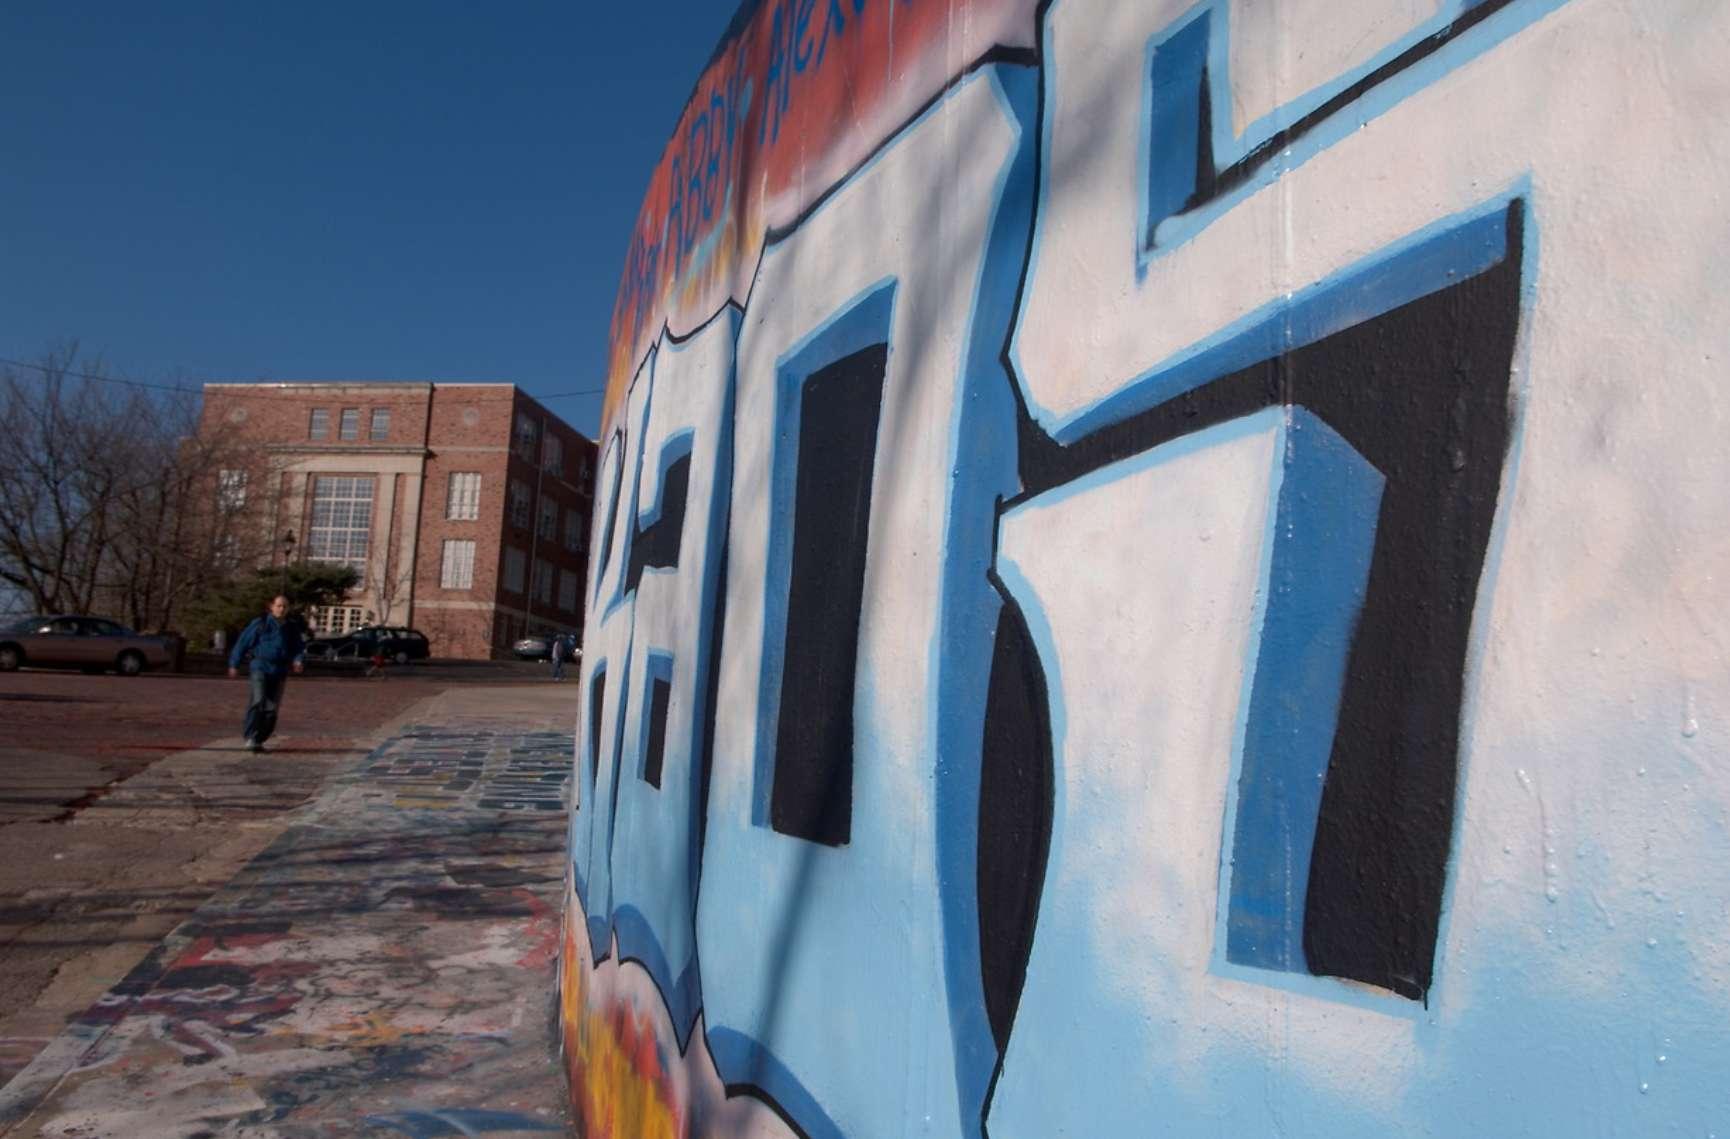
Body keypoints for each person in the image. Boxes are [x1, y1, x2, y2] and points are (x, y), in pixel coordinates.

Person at [227, 594, 305, 753]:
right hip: (260, 666)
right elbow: (243, 643)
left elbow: (298, 647)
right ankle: (250, 736)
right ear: (271, 606)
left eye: (285, 606)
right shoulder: (260, 623)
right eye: (279, 605)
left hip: (279, 670)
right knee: (258, 700)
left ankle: (259, 738)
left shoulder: (291, 627)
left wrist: (298, 660)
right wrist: (234, 664)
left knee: (271, 708)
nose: (282, 609)